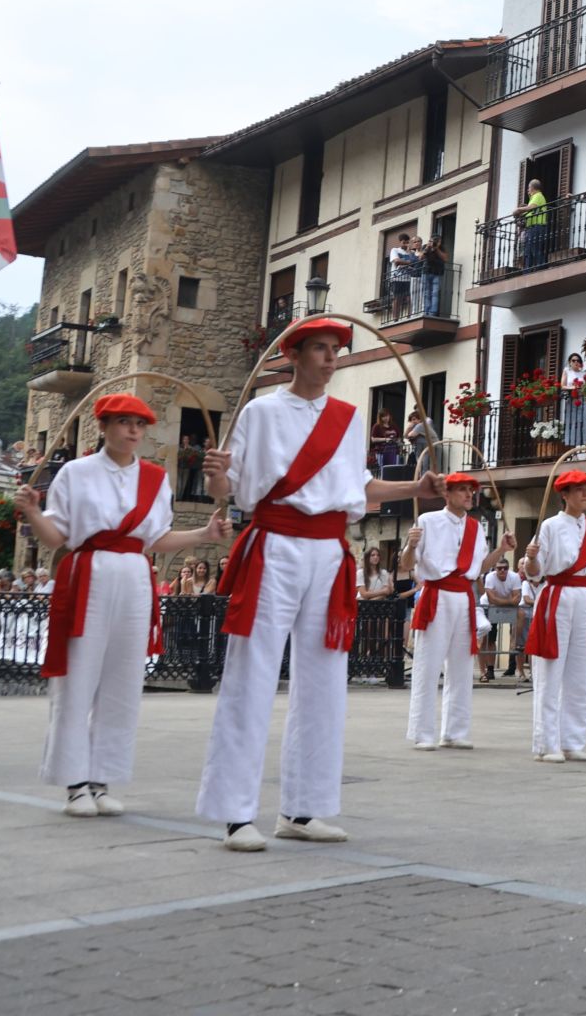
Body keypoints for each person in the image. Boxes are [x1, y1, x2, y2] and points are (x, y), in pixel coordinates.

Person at [196, 318, 445, 853]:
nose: (331, 359)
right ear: (294, 355)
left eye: (335, 350)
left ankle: (303, 808)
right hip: (276, 543)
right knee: (253, 672)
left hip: (331, 551)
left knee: (327, 680)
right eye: (320, 349)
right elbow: (229, 487)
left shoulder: (348, 419)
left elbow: (357, 485)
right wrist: (214, 474)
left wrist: (415, 486)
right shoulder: (260, 413)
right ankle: (236, 813)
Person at [15, 394, 231, 818]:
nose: (133, 431)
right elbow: (56, 537)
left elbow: (156, 539)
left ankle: (102, 778)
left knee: (124, 681)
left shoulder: (155, 478)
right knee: (78, 677)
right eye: (123, 422)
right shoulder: (75, 473)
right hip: (88, 571)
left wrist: (203, 533)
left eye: (139, 424)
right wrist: (31, 513)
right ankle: (74, 782)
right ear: (104, 427)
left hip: (135, 574)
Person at [400, 472, 511, 751]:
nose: (469, 495)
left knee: (462, 666)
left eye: (470, 491)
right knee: (428, 665)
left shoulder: (476, 527)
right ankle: (422, 732)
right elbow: (405, 564)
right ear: (447, 494)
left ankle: (455, 731)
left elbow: (481, 567)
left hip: (463, 596)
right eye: (462, 490)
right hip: (437, 594)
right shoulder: (427, 521)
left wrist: (501, 550)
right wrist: (412, 544)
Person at [525, 469, 586, 763]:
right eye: (578, 490)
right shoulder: (549, 526)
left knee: (579, 670)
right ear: (564, 494)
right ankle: (547, 743)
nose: (585, 494)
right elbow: (535, 573)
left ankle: (572, 740)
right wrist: (532, 558)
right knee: (551, 669)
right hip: (557, 593)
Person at [479, 556, 522, 682]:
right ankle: (489, 669)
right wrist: (509, 601)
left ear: (508, 569)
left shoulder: (514, 577)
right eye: (499, 568)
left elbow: (517, 600)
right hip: (488, 606)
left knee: (521, 614)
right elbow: (491, 599)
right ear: (495, 569)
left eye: (505, 568)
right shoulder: (490, 577)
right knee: (489, 639)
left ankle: (515, 640)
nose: (502, 571)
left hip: (503, 606)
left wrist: (501, 601)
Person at [559, 352, 586, 447]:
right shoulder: (567, 371)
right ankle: (572, 450)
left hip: (583, 400)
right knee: (572, 423)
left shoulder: (584, 373)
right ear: (570, 362)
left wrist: (584, 388)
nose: (576, 362)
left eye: (578, 360)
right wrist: (573, 388)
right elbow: (562, 386)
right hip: (571, 400)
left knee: (584, 422)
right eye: (573, 360)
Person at [520, 177, 550, 269]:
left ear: (532, 187)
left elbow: (531, 207)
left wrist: (518, 210)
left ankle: (541, 268)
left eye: (529, 187)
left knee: (534, 249)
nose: (527, 190)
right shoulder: (534, 197)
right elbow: (529, 210)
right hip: (532, 228)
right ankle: (528, 271)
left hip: (536, 227)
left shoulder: (538, 196)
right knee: (528, 252)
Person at [386, 232, 417, 320]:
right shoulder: (395, 250)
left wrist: (409, 254)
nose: (405, 244)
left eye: (407, 242)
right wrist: (409, 263)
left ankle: (409, 317)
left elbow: (415, 262)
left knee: (409, 299)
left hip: (408, 278)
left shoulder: (411, 252)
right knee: (397, 299)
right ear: (400, 242)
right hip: (397, 278)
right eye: (404, 242)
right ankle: (395, 318)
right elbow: (396, 261)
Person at [420, 237, 448, 317]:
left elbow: (445, 259)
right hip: (426, 272)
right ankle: (426, 311)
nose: (434, 242)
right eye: (432, 241)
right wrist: (427, 247)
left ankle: (433, 313)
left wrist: (436, 248)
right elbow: (420, 257)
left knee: (435, 293)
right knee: (426, 293)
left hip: (437, 273)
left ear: (440, 241)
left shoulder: (442, 248)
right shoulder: (426, 246)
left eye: (437, 241)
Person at [369, 409, 402, 475]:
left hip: (393, 451)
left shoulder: (393, 425)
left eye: (387, 416)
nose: (386, 418)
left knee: (392, 469)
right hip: (381, 451)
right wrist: (385, 439)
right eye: (383, 416)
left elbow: (399, 437)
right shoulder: (377, 426)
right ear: (380, 418)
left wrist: (397, 441)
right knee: (382, 469)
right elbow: (373, 439)